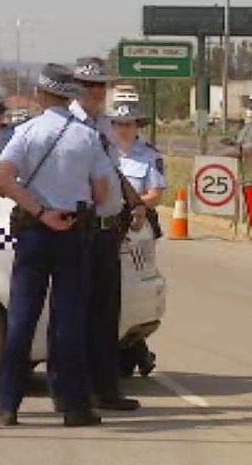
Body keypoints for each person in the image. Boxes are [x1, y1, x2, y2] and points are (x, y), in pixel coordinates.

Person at [0, 63, 112, 428]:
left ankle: (8, 406)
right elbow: (102, 190)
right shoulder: (87, 136)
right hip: (74, 231)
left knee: (21, 318)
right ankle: (74, 407)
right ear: (70, 95)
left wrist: (41, 210)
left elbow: (4, 178)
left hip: (34, 230)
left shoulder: (26, 132)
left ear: (41, 95)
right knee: (68, 322)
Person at [70, 57, 146, 411]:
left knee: (105, 314)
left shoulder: (104, 124)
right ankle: (75, 391)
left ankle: (105, 388)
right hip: (78, 229)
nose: (96, 92)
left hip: (107, 231)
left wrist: (135, 202)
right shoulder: (66, 123)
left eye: (101, 86)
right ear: (74, 87)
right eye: (89, 86)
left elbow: (113, 171)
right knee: (77, 314)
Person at [109, 103, 167, 378]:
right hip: (109, 226)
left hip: (137, 228)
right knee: (114, 292)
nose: (123, 129)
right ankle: (136, 352)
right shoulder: (102, 153)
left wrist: (134, 206)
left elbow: (155, 194)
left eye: (128, 124)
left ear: (137, 127)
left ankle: (134, 350)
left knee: (129, 289)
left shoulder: (148, 156)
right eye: (118, 124)